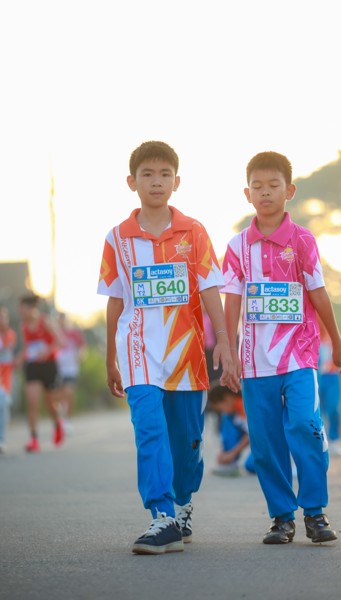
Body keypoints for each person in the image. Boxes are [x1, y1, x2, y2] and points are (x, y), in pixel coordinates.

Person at [97, 140, 238, 555]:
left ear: (177, 182)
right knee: (149, 430)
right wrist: (110, 358)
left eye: (164, 175)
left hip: (186, 355)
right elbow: (115, 300)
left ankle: (182, 503)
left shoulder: (193, 231)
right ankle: (161, 516)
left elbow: (210, 288)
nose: (156, 182)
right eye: (147, 174)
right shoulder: (117, 238)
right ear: (132, 182)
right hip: (137, 351)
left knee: (187, 442)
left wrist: (224, 341)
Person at [222, 151, 341, 545]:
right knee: (265, 442)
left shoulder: (303, 240)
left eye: (273, 185)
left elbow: (319, 293)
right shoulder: (237, 246)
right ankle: (281, 518)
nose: (265, 192)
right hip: (254, 362)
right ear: (247, 193)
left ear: (289, 190)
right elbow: (231, 300)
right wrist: (229, 350)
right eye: (257, 186)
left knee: (306, 427)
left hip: (300, 355)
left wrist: (337, 342)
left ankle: (315, 512)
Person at [16, 295, 65, 453]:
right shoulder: (23, 326)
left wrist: (47, 351)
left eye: (22, 309)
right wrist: (19, 359)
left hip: (49, 366)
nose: (20, 312)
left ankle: (57, 424)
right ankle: (34, 439)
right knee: (32, 402)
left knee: (50, 403)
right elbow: (26, 347)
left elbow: (61, 341)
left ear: (31, 309)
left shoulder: (46, 322)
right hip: (32, 366)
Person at [208, 384, 255, 476]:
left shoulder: (244, 405)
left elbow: (252, 433)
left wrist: (232, 453)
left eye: (220, 408)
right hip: (249, 433)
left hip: (267, 440)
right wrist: (224, 452)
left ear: (227, 398)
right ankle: (228, 461)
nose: (222, 411)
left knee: (251, 465)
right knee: (227, 419)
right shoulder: (231, 412)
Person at [317, 316, 341, 456]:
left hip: (332, 377)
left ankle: (335, 439)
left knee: (334, 408)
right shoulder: (311, 336)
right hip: (316, 377)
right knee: (318, 411)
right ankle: (320, 442)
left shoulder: (333, 338)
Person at [57, 312, 86, 433]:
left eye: (63, 319)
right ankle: (60, 418)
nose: (62, 322)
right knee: (60, 396)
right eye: (60, 320)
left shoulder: (74, 333)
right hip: (57, 369)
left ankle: (67, 420)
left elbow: (82, 346)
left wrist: (80, 355)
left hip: (71, 369)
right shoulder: (55, 332)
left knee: (69, 393)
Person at [0, 306, 17, 453]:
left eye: (4, 317)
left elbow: (6, 348)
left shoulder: (10, 334)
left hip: (5, 378)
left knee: (3, 404)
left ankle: (1, 440)